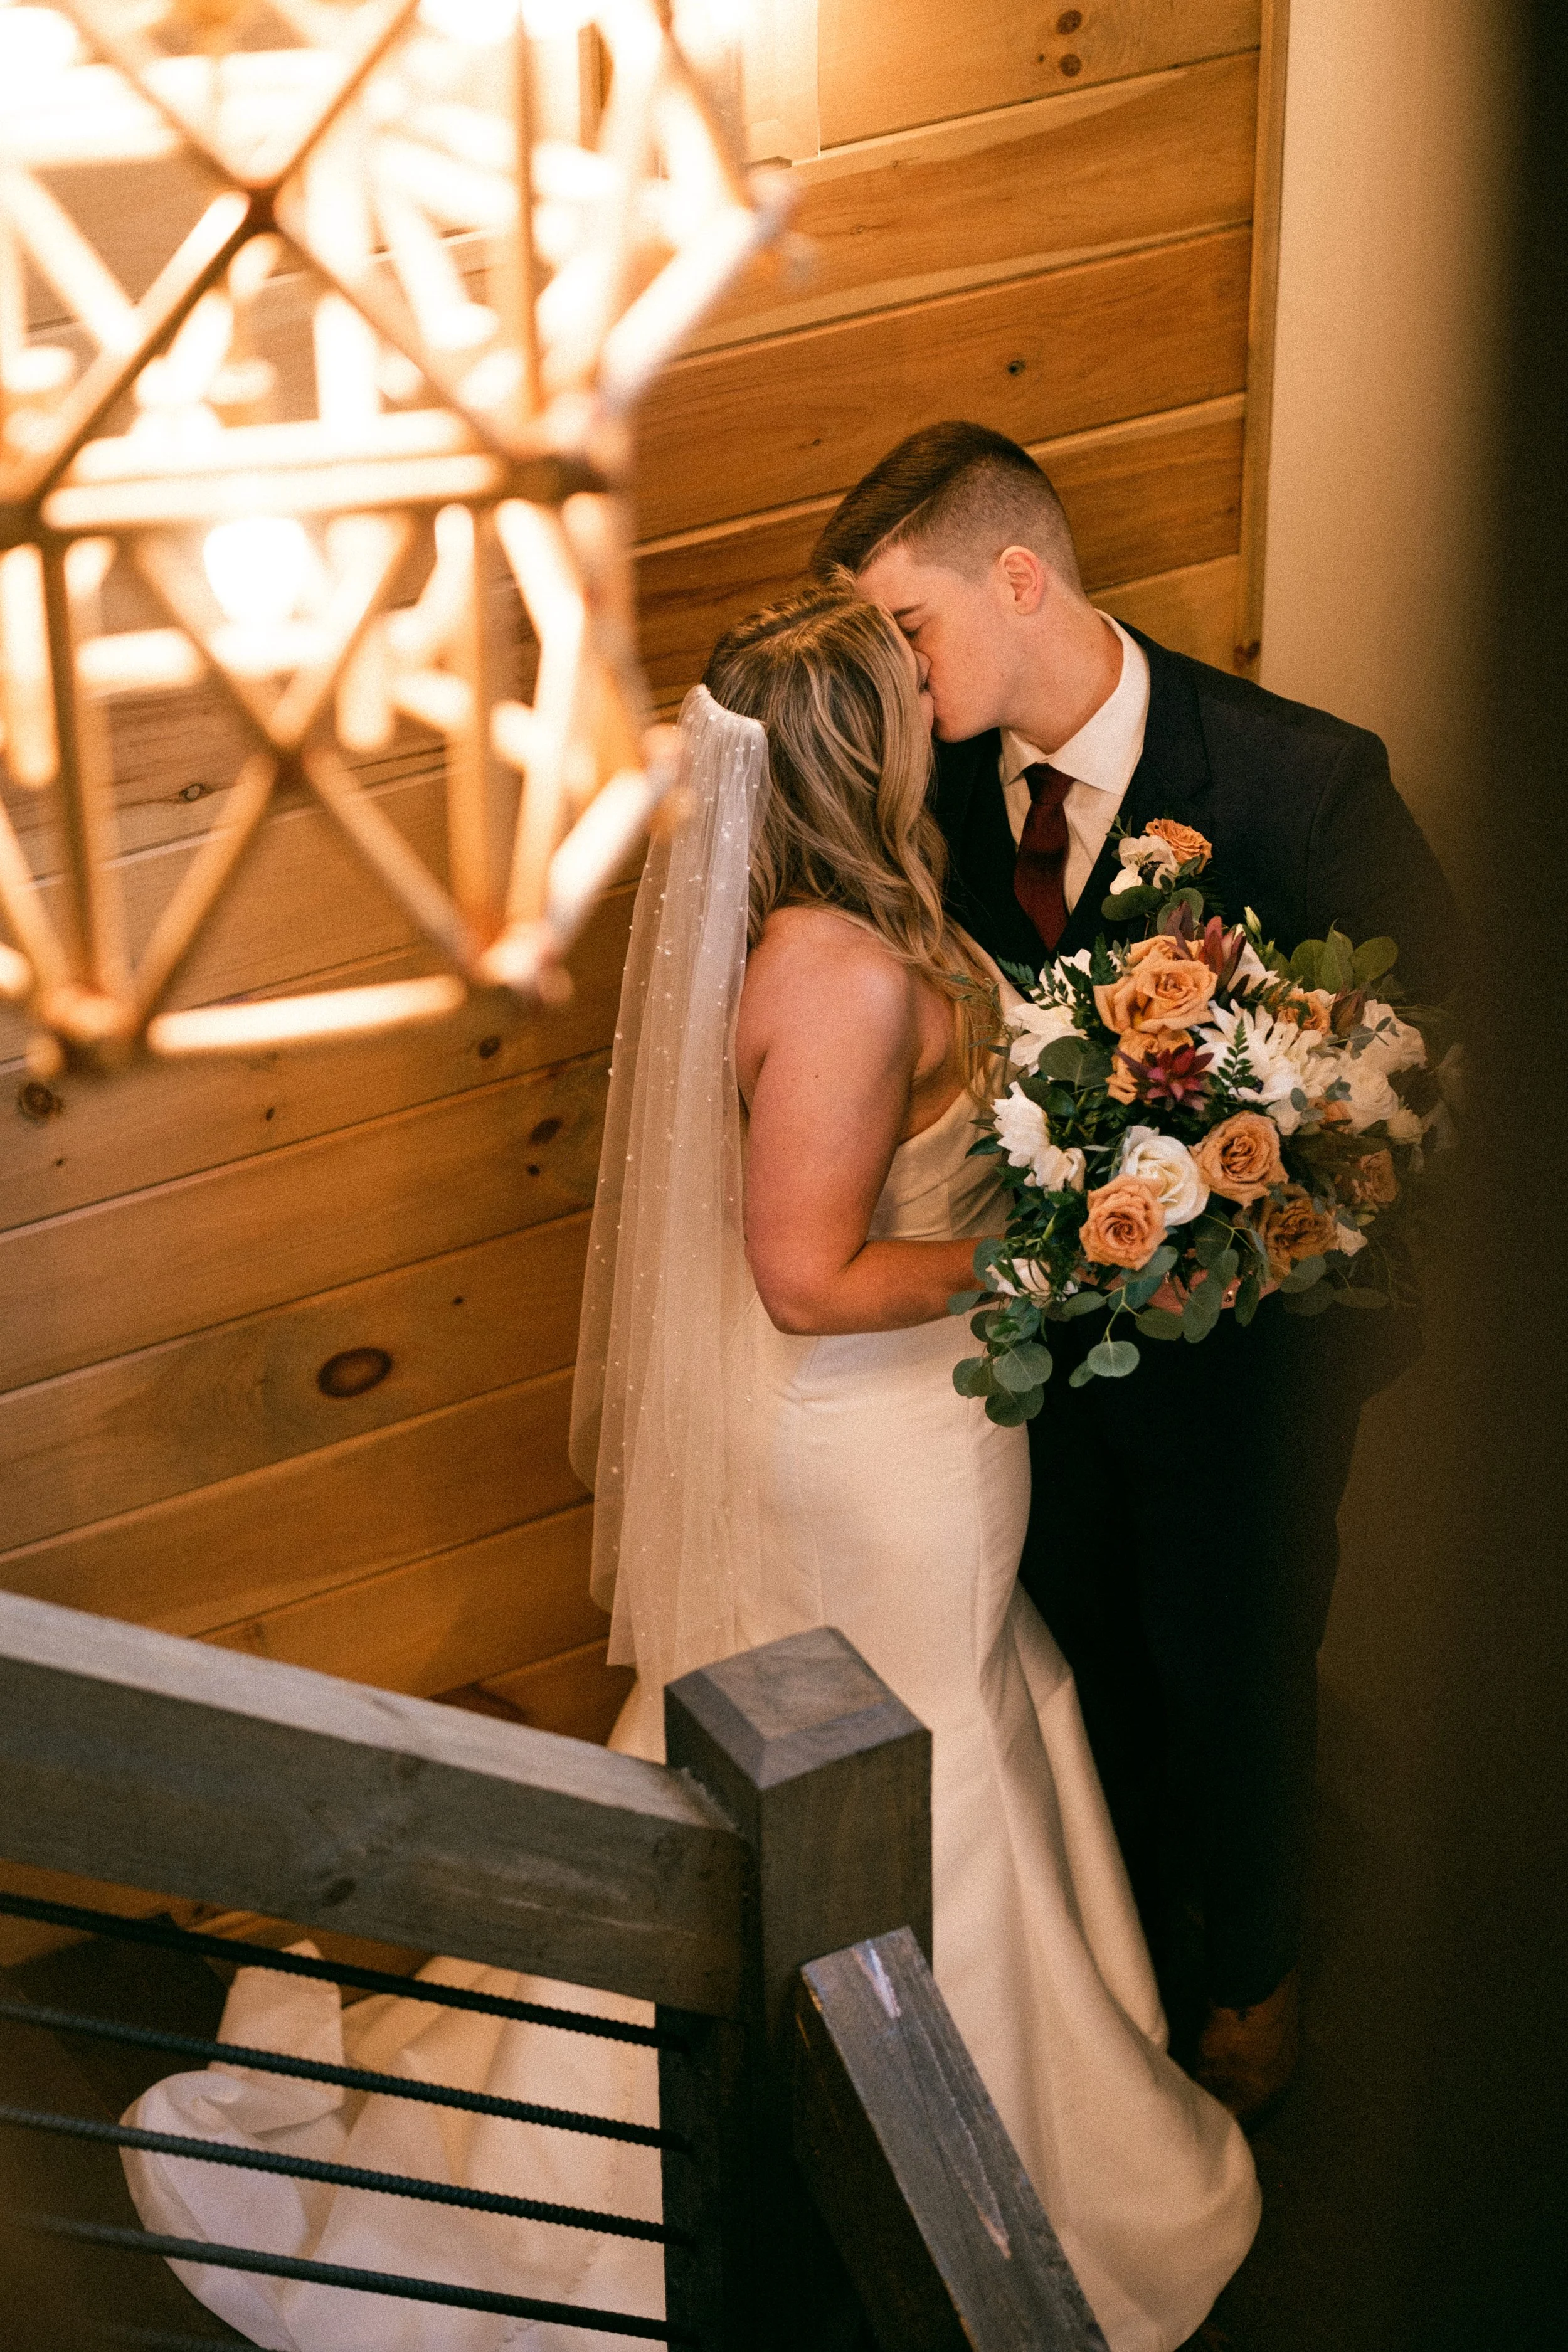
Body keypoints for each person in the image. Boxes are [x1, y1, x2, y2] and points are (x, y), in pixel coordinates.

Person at [120, 585, 1258, 2352]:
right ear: (859, 754)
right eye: (907, 693)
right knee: (898, 1742)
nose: (936, 706)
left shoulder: (858, 926)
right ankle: (937, 2172)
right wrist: (1045, 1261)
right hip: (870, 1439)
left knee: (889, 1726)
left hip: (915, 1426)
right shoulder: (844, 974)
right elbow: (802, 1280)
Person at [811, 422, 1461, 2122]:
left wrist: (1291, 1311)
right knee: (1072, 1640)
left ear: (1015, 578)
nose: (896, 672)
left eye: (907, 626)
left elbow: (1436, 1076)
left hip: (1247, 1365)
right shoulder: (933, 796)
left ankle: (1253, 1982)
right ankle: (1113, 1970)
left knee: (1237, 1664)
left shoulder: (1296, 782)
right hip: (1020, 1355)